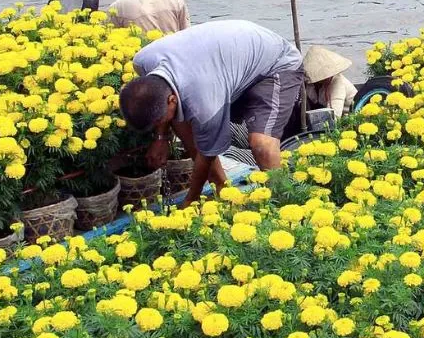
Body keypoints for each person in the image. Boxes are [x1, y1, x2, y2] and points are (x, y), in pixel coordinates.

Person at [119, 20, 304, 205]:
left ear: (171, 100)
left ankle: (284, 204)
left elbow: (206, 154)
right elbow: (159, 95)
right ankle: (223, 190)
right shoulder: (143, 61)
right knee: (180, 119)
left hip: (276, 64)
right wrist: (160, 138)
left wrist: (191, 200)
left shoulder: (204, 102)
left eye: (158, 120)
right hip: (230, 62)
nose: (159, 123)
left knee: (261, 144)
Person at [304, 46, 357, 119]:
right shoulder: (309, 83)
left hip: (349, 114)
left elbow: (335, 114)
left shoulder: (337, 82)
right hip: (324, 108)